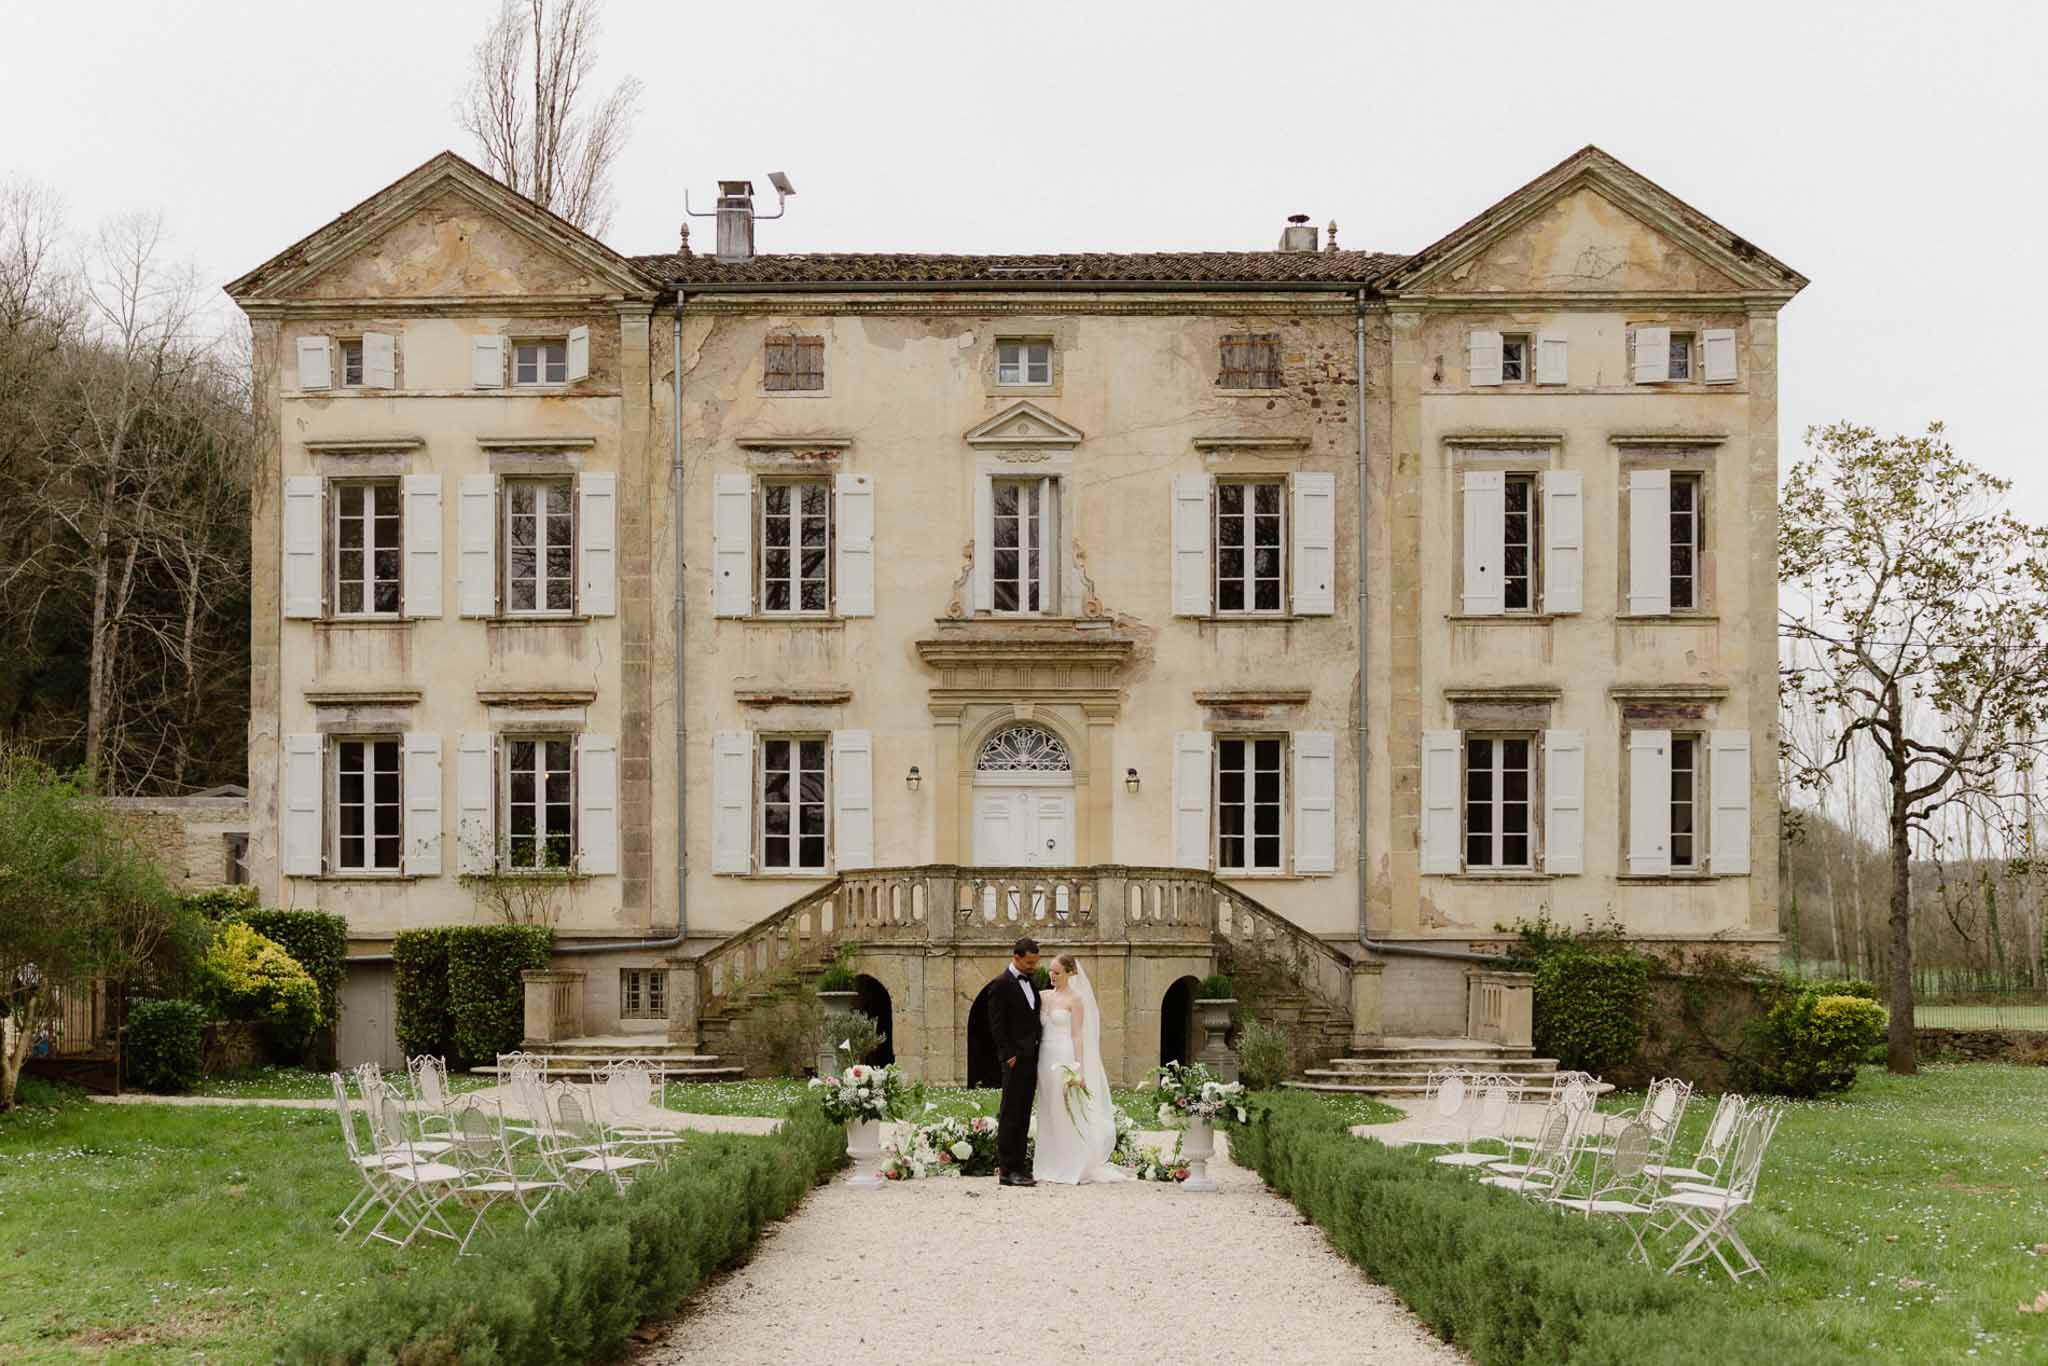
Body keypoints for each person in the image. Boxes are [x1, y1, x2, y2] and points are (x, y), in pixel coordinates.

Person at [1032, 953, 1129, 1185]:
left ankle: (1072, 1163)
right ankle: (1049, 1164)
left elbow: (1077, 1036)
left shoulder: (1075, 1000)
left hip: (1064, 1055)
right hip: (1045, 1057)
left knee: (1067, 1108)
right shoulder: (1044, 997)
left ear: (1070, 973)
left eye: (1057, 972)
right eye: (1050, 972)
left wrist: (1079, 1069)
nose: (1052, 976)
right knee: (1047, 1109)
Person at [985, 937, 1043, 1187]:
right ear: (1016, 957)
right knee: (1011, 1113)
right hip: (1015, 1060)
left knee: (1023, 1114)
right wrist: (1009, 1056)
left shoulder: (1030, 981)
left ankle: (1019, 1166)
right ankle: (1008, 1170)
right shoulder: (1000, 985)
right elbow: (996, 1025)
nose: (1033, 966)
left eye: (1035, 962)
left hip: (1032, 1059)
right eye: (1029, 962)